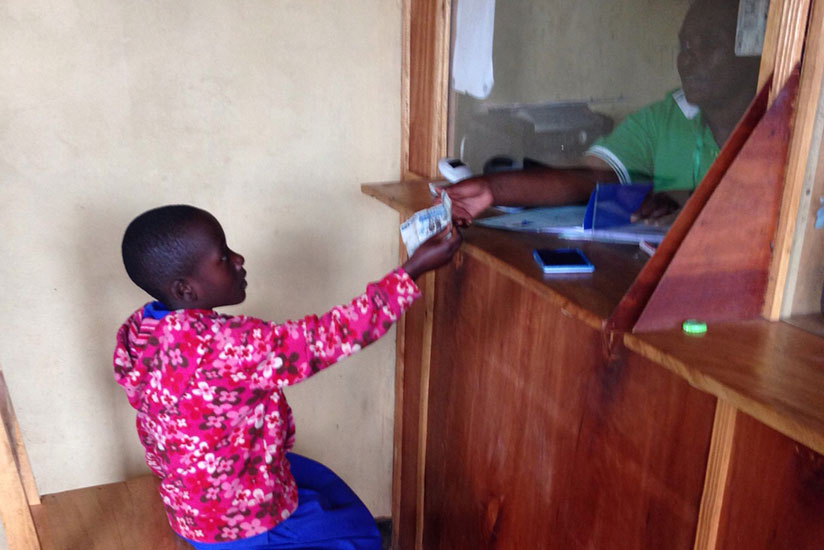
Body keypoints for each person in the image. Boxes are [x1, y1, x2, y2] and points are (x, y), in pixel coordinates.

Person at [113, 205, 461, 549]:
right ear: (185, 290)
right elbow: (329, 337)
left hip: (190, 509)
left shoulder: (142, 333)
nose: (239, 260)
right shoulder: (229, 345)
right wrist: (411, 271)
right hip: (241, 523)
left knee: (318, 482)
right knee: (356, 533)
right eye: (223, 257)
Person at [444, 0, 761, 226]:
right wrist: (491, 190)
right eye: (686, 46)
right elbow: (589, 179)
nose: (689, 60)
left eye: (710, 45)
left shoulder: (775, 127)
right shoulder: (669, 116)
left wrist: (688, 202)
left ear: (752, 51)